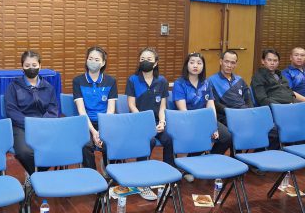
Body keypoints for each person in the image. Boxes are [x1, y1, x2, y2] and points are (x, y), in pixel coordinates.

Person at [172, 52, 233, 181]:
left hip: (204, 120)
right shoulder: (179, 83)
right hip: (186, 121)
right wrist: (202, 127)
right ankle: (188, 167)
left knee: (226, 137)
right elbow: (183, 110)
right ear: (187, 65)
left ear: (203, 66)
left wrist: (213, 125)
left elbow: (211, 106)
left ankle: (206, 161)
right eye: (192, 62)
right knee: (201, 135)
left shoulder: (206, 83)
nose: (195, 65)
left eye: (199, 63)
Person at [209, 50, 280, 157]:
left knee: (275, 130)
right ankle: (234, 157)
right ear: (221, 61)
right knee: (237, 131)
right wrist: (232, 112)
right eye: (226, 62)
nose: (229, 65)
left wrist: (250, 111)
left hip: (245, 113)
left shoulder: (239, 80)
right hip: (227, 115)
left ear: (236, 64)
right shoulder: (211, 80)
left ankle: (257, 157)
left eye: (233, 62)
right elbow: (214, 103)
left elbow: (248, 98)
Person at [125, 47, 172, 200]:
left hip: (157, 122)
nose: (145, 61)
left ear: (156, 63)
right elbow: (131, 105)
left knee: (169, 139)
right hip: (138, 122)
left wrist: (162, 122)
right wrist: (145, 123)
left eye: (149, 59)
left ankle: (169, 179)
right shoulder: (133, 80)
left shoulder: (162, 81)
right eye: (142, 59)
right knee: (149, 141)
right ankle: (142, 181)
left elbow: (163, 106)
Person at [5, 50, 58, 175]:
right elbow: (11, 110)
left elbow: (53, 109)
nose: (31, 68)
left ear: (40, 66)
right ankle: (35, 174)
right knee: (24, 152)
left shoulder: (48, 87)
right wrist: (29, 124)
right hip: (21, 126)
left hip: (44, 126)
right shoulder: (13, 87)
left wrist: (41, 124)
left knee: (57, 149)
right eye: (27, 65)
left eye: (34, 65)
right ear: (22, 68)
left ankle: (34, 174)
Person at [73, 46, 117, 171]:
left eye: (97, 60)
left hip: (105, 122)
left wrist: (102, 130)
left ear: (103, 63)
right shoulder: (78, 81)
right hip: (85, 122)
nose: (93, 61)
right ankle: (92, 173)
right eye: (90, 58)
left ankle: (109, 171)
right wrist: (94, 132)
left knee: (111, 142)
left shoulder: (111, 81)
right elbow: (82, 111)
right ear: (86, 60)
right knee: (85, 145)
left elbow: (110, 110)